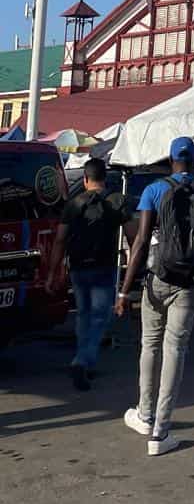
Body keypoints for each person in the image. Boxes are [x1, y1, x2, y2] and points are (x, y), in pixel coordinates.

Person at [114, 136, 194, 458]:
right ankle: (161, 432)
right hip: (191, 281)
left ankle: (145, 416)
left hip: (158, 277)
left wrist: (124, 289)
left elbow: (142, 242)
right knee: (176, 348)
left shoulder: (154, 189)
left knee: (150, 344)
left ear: (171, 158)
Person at [48, 158, 134, 391]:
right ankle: (83, 360)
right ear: (104, 179)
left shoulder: (74, 204)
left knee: (83, 314)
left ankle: (83, 360)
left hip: (78, 268)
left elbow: (60, 240)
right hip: (104, 268)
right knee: (100, 317)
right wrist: (132, 260)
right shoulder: (117, 200)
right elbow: (134, 236)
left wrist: (52, 273)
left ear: (85, 179)